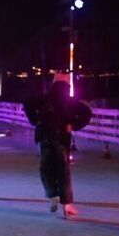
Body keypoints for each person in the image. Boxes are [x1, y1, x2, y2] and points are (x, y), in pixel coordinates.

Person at [23, 75, 91, 217]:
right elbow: (86, 113)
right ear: (67, 87)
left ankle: (52, 194)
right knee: (63, 171)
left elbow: (27, 103)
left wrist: (34, 120)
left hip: (44, 137)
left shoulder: (44, 98)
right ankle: (67, 204)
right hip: (61, 138)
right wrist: (73, 125)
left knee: (46, 169)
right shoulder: (70, 102)